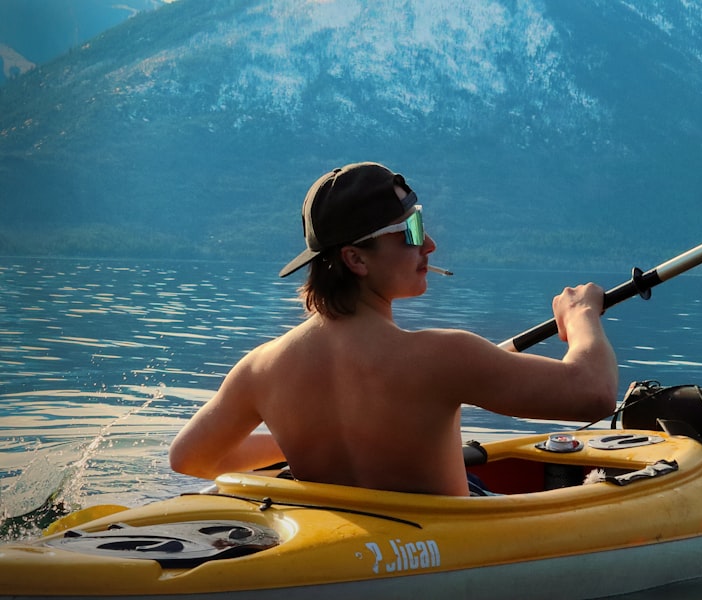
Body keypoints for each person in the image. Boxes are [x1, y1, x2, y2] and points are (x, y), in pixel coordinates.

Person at [169, 162, 618, 496]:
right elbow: (592, 393)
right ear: (356, 259)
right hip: (443, 550)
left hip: (339, 545)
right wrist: (581, 317)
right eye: (410, 230)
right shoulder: (445, 357)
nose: (429, 244)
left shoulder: (261, 369)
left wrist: (298, 440)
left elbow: (190, 458)